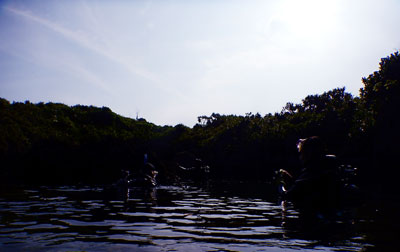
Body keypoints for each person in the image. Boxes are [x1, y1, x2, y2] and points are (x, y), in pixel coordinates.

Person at [280, 136, 342, 214]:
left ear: (308, 154)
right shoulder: (330, 170)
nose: (300, 157)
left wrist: (283, 185)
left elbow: (289, 195)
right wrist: (291, 182)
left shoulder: (310, 173)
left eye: (301, 153)